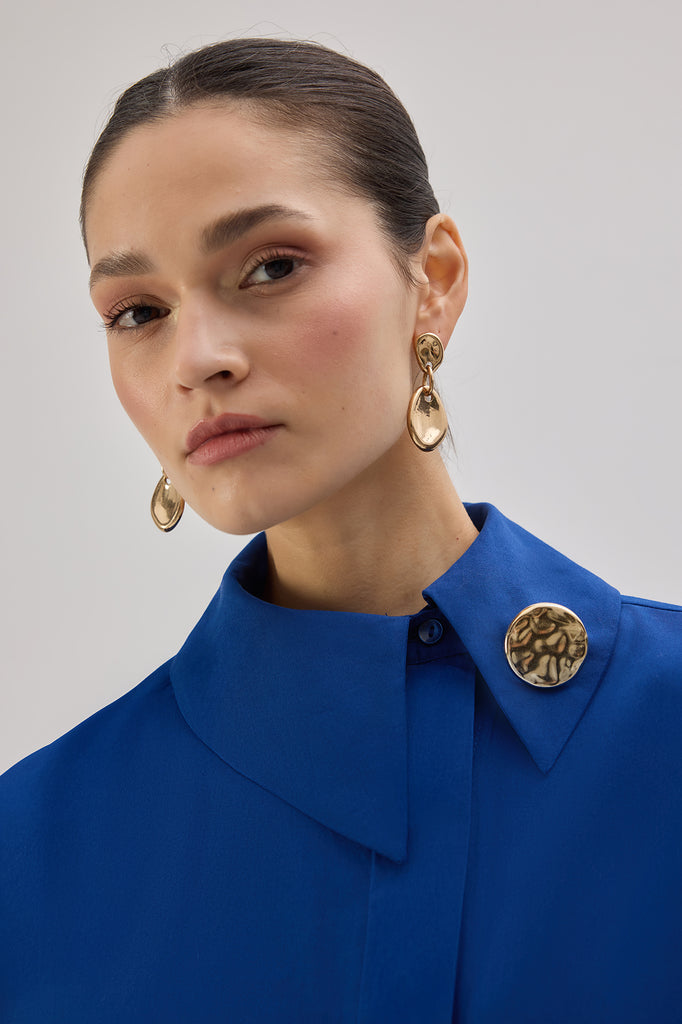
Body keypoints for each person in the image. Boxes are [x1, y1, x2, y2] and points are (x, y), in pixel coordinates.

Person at [1, 37, 681, 1024]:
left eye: (270, 266)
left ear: (433, 278)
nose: (197, 359)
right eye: (139, 312)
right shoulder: (30, 859)